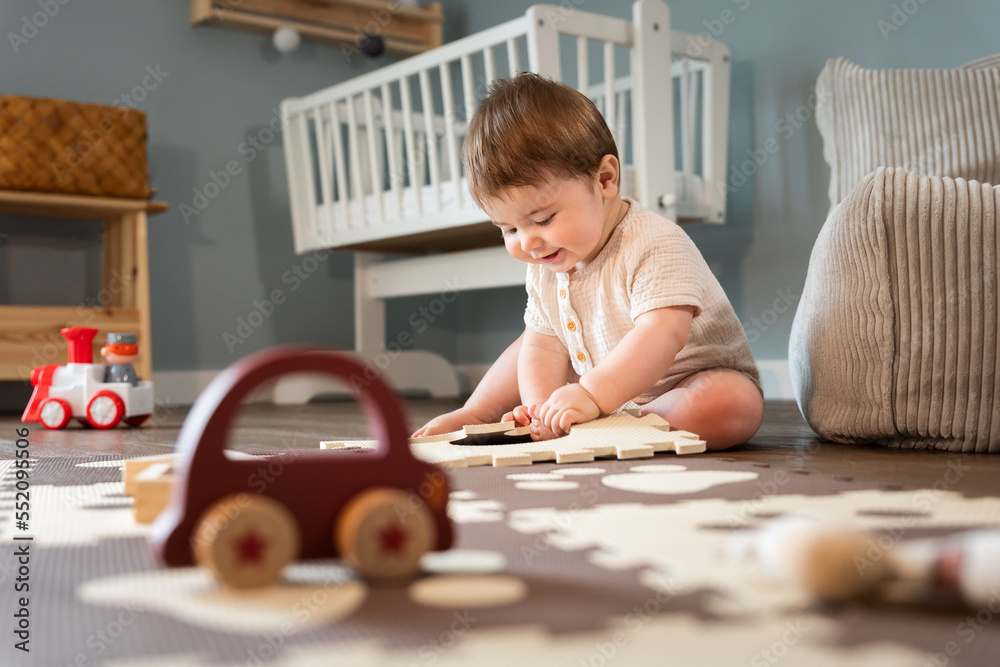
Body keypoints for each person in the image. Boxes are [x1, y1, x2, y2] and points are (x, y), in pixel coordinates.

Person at [413, 73, 763, 450]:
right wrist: (539, 411)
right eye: (509, 229)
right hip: (607, 391)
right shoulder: (547, 262)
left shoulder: (654, 242)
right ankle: (475, 412)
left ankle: (629, 425)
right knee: (534, 336)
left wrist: (592, 396)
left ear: (605, 179)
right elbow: (543, 349)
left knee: (732, 403)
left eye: (544, 219)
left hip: (689, 381)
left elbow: (662, 334)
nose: (528, 242)